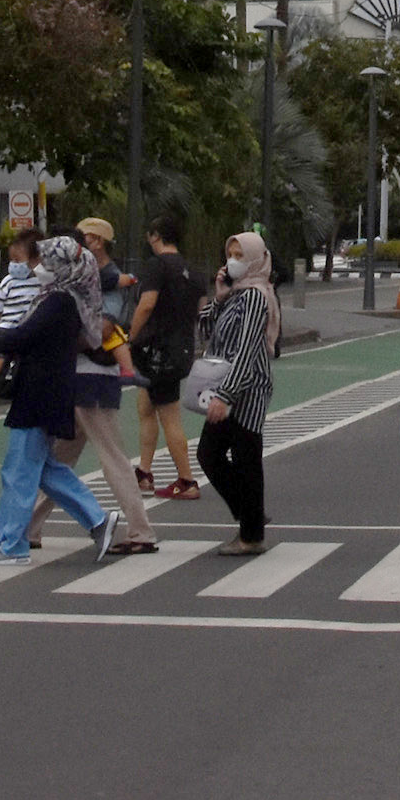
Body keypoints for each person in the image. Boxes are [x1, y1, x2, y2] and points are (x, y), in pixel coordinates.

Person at [0, 235, 114, 562]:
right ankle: (97, 520)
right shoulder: (65, 297)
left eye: (43, 261)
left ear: (60, 265)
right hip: (47, 390)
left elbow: (26, 335)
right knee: (41, 468)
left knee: (20, 471)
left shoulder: (58, 300)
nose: (37, 267)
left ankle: (12, 546)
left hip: (39, 392)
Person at [63, 218, 157, 553]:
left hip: (94, 376)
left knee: (111, 458)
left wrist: (63, 332)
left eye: (87, 237)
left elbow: (104, 329)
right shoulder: (79, 276)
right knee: (54, 462)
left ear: (99, 242)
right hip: (79, 376)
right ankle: (26, 526)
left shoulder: (111, 280)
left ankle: (141, 530)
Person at [193, 229, 282, 557]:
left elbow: (246, 349)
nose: (232, 262)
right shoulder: (237, 294)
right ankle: (252, 519)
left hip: (247, 388)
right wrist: (218, 297)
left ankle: (252, 532)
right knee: (212, 454)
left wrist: (226, 396)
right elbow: (205, 332)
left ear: (257, 259)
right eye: (230, 255)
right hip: (226, 386)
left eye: (240, 256)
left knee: (243, 457)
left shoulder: (258, 296)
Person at [126, 214, 208, 500]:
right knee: (145, 407)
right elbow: (202, 309)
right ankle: (144, 472)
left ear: (156, 235)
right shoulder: (194, 271)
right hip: (182, 347)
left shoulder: (157, 266)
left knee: (169, 415)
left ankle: (186, 480)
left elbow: (146, 305)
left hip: (157, 349)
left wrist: (131, 336)